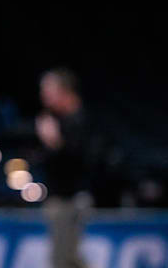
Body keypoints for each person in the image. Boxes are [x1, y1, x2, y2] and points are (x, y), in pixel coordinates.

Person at [37, 68, 99, 268]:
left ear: (64, 91)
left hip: (71, 198)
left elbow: (80, 160)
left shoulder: (81, 120)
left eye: (49, 90)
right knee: (69, 258)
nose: (44, 95)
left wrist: (53, 141)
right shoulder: (57, 119)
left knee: (62, 258)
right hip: (60, 197)